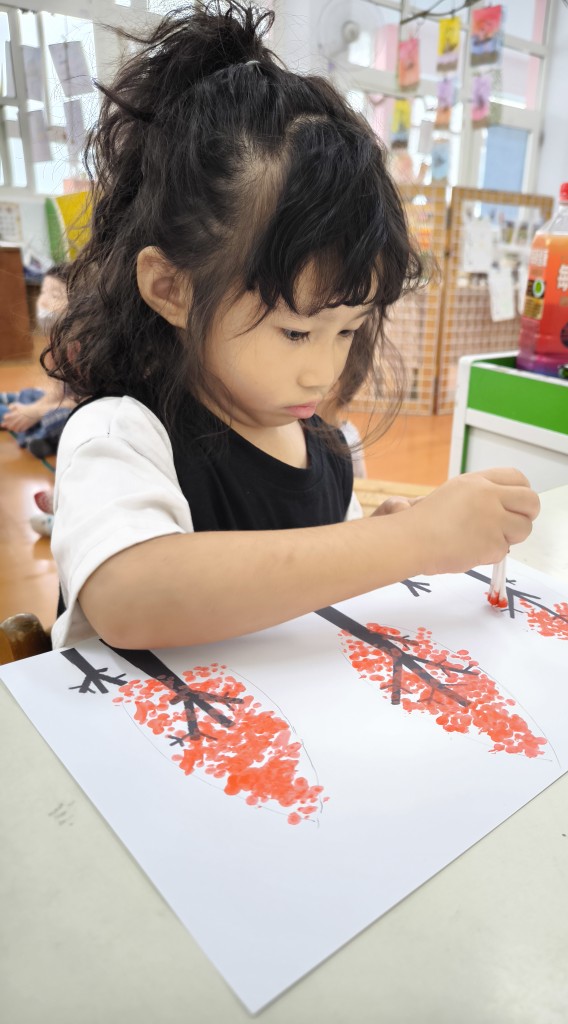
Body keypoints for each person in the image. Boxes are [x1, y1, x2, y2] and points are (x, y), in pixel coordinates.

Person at [45, 2, 539, 651]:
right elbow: (131, 597)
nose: (324, 372)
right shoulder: (123, 436)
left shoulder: (329, 448)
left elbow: (314, 595)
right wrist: (408, 540)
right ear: (171, 290)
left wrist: (381, 545)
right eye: (297, 333)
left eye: (349, 330)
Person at [1, 263, 75, 458]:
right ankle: (25, 426)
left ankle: (38, 436)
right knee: (29, 395)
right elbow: (56, 392)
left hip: (80, 406)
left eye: (55, 295)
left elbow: (84, 401)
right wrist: (33, 408)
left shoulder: (81, 346)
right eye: (43, 292)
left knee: (62, 418)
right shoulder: (53, 340)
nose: (43, 301)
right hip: (62, 400)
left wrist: (36, 412)